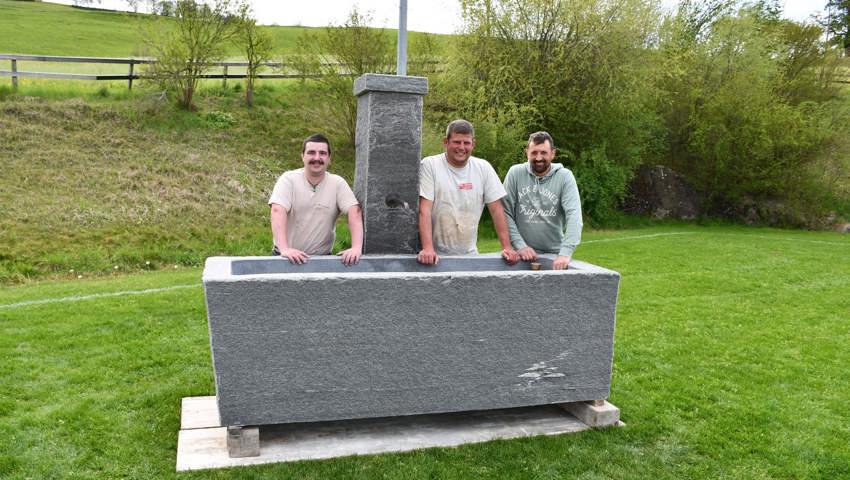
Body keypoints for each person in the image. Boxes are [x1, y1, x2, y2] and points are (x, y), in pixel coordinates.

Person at [417, 119, 519, 265]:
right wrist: (427, 249)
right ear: (446, 142)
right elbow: (424, 210)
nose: (461, 147)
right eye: (457, 142)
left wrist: (507, 247)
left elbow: (496, 209)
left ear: (473, 144)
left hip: (470, 255)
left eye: (466, 143)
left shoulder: (483, 167)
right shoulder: (430, 165)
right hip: (434, 257)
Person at [268, 133, 363, 265]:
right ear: (302, 156)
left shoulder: (338, 183)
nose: (317, 158)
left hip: (321, 260)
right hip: (285, 259)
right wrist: (285, 249)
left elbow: (355, 211)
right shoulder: (288, 180)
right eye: (311, 152)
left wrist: (356, 248)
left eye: (322, 153)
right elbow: (277, 210)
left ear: (329, 158)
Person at [502, 131, 582, 270]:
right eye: (534, 153)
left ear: (553, 153)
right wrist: (520, 246)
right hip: (519, 254)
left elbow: (574, 215)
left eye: (544, 153)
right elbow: (504, 213)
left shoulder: (565, 177)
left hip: (554, 255)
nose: (538, 158)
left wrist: (565, 253)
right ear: (527, 152)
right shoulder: (515, 173)